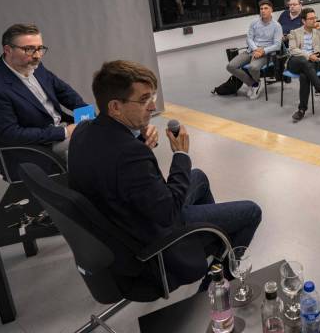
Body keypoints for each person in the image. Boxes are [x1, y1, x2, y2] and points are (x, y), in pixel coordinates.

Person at [69, 60, 262, 289]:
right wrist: (180, 153)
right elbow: (167, 211)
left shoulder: (83, 130)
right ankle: (213, 284)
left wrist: (138, 140)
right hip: (149, 235)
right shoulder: (130, 154)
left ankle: (211, 245)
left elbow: (116, 170)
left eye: (152, 97)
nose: (152, 107)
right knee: (251, 211)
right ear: (115, 107)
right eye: (143, 100)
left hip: (122, 218)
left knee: (198, 177)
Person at [0, 23, 87, 159]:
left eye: (40, 48)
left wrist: (86, 114)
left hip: (63, 128)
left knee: (108, 131)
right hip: (41, 146)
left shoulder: (33, 64)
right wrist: (64, 132)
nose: (37, 55)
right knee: (99, 144)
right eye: (29, 49)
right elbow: (11, 134)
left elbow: (64, 92)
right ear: (8, 50)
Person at [226, 0, 282, 100]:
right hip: (251, 50)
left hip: (266, 54)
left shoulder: (276, 26)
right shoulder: (254, 22)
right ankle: (254, 84)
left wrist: (263, 51)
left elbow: (277, 45)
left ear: (271, 10)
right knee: (231, 66)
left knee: (253, 68)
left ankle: (255, 84)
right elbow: (249, 38)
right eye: (261, 9)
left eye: (266, 8)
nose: (263, 11)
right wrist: (256, 49)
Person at [286, 8, 320, 122]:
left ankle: (301, 110)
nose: (314, 20)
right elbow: (292, 49)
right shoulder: (294, 32)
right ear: (303, 21)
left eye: (315, 18)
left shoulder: (319, 31)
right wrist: (308, 56)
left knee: (304, 76)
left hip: (314, 63)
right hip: (296, 61)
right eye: (311, 18)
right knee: (304, 61)